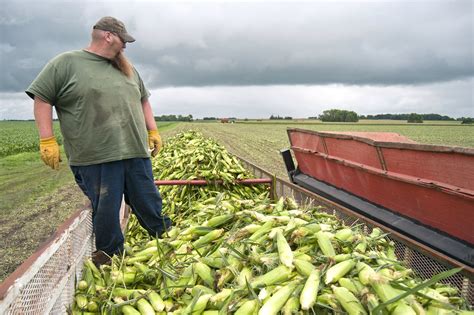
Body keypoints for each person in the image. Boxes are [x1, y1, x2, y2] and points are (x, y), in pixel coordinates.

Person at [26, 16, 172, 266]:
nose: (125, 47)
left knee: (149, 200)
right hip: (96, 156)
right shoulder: (66, 63)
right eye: (123, 41)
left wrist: (153, 131)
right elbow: (42, 99)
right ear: (108, 36)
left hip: (135, 151)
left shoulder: (127, 68)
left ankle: (166, 239)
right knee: (106, 209)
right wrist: (47, 139)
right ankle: (110, 258)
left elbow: (143, 100)